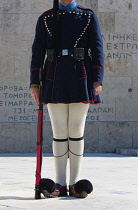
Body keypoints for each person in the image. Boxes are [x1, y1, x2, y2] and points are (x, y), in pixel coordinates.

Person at [30, 0, 104, 198]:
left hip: (81, 75)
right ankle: (60, 183)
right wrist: (34, 83)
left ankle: (75, 183)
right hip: (54, 76)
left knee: (76, 130)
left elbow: (97, 50)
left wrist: (97, 80)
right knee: (60, 131)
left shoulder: (87, 16)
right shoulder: (46, 18)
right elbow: (37, 52)